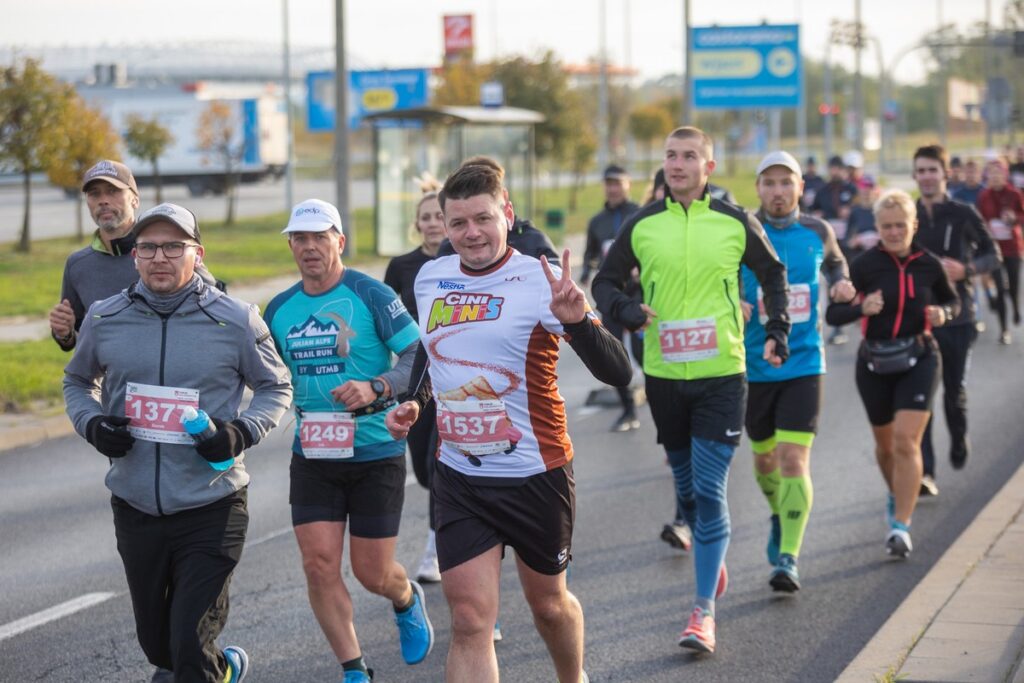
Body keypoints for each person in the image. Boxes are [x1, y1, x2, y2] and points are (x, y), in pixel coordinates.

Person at [386, 160, 632, 683]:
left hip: (535, 474)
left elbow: (618, 372)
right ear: (444, 227)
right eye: (458, 224)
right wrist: (416, 399)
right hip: (461, 476)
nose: (470, 233)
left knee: (548, 605)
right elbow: (435, 352)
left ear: (508, 215)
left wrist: (578, 323)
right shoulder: (432, 277)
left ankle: (573, 677)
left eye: (482, 218)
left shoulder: (539, 280)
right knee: (471, 620)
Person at [63, 202, 293, 683]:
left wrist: (238, 432)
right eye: (148, 247)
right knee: (158, 644)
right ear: (134, 256)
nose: (159, 257)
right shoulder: (106, 317)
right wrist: (93, 425)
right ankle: (221, 667)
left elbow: (277, 388)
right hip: (135, 505)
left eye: (173, 246)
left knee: (186, 643)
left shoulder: (235, 319)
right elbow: (76, 381)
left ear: (197, 253)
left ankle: (202, 666)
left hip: (213, 505)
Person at [593, 126, 791, 654]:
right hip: (663, 376)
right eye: (670, 155)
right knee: (684, 490)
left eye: (689, 156)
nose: (678, 164)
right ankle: (711, 556)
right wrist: (627, 311)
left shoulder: (734, 221)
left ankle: (702, 612)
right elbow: (604, 283)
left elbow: (773, 273)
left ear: (709, 164)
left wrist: (777, 330)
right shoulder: (643, 225)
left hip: (722, 375)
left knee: (708, 489)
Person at [263, 199, 433, 682]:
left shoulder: (370, 293)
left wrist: (377, 387)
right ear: (291, 246)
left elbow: (416, 356)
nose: (310, 247)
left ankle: (404, 598)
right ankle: (354, 669)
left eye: (320, 237)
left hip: (376, 450)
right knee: (318, 565)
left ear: (340, 241)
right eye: (300, 238)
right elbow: (265, 374)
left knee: (371, 573)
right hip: (314, 453)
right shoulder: (279, 309)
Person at [739, 151, 853, 592]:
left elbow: (837, 262)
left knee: (793, 458)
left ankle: (789, 555)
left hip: (805, 360)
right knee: (764, 457)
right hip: (752, 364)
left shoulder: (818, 230)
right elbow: (721, 276)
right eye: (769, 183)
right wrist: (736, 301)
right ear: (758, 189)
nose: (778, 191)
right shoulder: (744, 231)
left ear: (801, 187)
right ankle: (779, 511)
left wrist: (841, 281)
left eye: (786, 183)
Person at [826, 189, 959, 558]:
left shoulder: (929, 265)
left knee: (905, 441)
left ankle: (901, 526)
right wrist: (861, 308)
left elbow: (953, 301)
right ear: (878, 228)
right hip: (875, 363)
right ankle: (896, 492)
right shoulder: (864, 265)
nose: (895, 232)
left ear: (914, 225)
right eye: (887, 226)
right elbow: (833, 315)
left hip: (919, 357)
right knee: (885, 448)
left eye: (901, 225)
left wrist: (942, 315)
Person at [49, 160, 221, 352]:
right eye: (94, 193)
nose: (103, 200)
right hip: (114, 380)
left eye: (113, 191)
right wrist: (65, 334)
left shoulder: (169, 252)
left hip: (174, 372)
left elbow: (218, 312)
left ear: (135, 199)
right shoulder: (78, 264)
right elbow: (79, 336)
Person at [912, 145, 1000, 497]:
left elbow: (992, 253)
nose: (927, 177)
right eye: (920, 171)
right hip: (921, 319)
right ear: (915, 176)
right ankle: (926, 472)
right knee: (923, 398)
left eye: (933, 170)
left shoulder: (963, 213)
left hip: (960, 317)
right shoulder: (910, 214)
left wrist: (968, 269)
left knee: (953, 393)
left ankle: (959, 435)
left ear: (945, 174)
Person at [384, 184, 446, 584]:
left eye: (440, 216)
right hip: (415, 377)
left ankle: (436, 547)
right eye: (426, 217)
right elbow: (383, 319)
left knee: (441, 468)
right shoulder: (402, 266)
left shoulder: (459, 264)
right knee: (423, 471)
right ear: (417, 225)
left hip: (457, 379)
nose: (433, 224)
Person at [581, 164, 642, 432]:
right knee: (612, 354)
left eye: (618, 182)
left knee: (643, 354)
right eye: (609, 183)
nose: (613, 188)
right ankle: (628, 410)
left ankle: (663, 395)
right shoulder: (597, 221)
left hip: (639, 293)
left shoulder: (639, 214)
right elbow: (590, 254)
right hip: (611, 293)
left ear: (628, 183)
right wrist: (586, 271)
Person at [437, 155, 560, 266]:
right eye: (459, 223)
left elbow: (558, 282)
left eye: (483, 218)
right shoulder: (446, 251)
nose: (473, 234)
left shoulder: (533, 240)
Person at [811, 155, 858, 345]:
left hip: (849, 244)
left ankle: (856, 312)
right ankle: (837, 326)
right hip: (830, 244)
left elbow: (862, 209)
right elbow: (811, 210)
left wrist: (850, 211)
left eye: (839, 168)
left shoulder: (852, 190)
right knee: (833, 282)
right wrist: (818, 215)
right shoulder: (822, 191)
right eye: (833, 168)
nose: (835, 172)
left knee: (851, 279)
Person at [977, 158, 1024, 345]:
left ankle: (1015, 305)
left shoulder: (1014, 194)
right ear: (988, 176)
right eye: (992, 174)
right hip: (993, 250)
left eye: (999, 173)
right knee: (998, 286)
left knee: (1012, 287)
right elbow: (979, 220)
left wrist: (1014, 218)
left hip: (1012, 247)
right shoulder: (984, 196)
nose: (995, 177)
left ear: (1005, 175)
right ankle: (1004, 330)